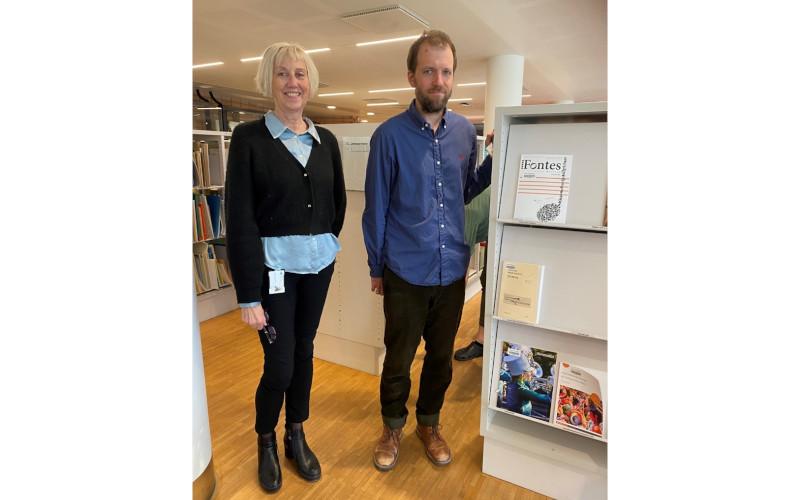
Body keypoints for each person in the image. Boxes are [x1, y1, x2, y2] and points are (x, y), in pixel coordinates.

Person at [362, 29, 492, 472]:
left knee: (440, 358)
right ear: (412, 77)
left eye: (446, 71)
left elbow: (466, 190)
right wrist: (376, 267)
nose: (439, 79)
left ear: (453, 77)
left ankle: (429, 423)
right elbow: (376, 208)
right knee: (397, 359)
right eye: (429, 71)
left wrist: (494, 156)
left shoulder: (463, 134)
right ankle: (393, 424)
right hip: (404, 271)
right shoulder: (388, 137)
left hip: (452, 268)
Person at [224, 41, 346, 493]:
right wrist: (248, 295)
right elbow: (239, 218)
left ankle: (296, 431)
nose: (292, 82)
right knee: (279, 364)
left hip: (317, 269)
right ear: (268, 82)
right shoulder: (249, 139)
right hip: (272, 273)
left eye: (299, 73)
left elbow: (336, 207)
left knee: (304, 352)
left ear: (309, 81)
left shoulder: (326, 140)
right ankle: (266, 440)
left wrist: (324, 243)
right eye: (282, 74)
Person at [453, 132, 492, 361]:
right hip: (491, 227)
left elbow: (461, 273)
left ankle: (482, 339)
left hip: (507, 234)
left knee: (490, 280)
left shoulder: (466, 206)